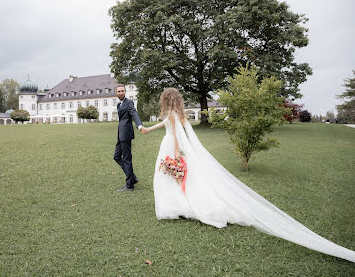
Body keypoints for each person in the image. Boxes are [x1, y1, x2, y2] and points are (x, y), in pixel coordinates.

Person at [142, 87, 355, 263]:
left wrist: (177, 152)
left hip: (171, 147)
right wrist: (149, 129)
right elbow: (167, 124)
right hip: (168, 144)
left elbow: (177, 134)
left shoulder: (172, 114)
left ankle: (178, 205)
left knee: (170, 176)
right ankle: (178, 204)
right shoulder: (176, 113)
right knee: (172, 177)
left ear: (165, 100)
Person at [114, 84, 148, 192]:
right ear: (116, 93)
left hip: (126, 134)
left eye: (122, 91)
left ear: (125, 91)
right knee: (116, 156)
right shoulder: (119, 105)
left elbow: (134, 114)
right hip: (120, 134)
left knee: (127, 159)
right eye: (119, 91)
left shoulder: (129, 102)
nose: (121, 93)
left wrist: (140, 126)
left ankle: (129, 185)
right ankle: (132, 177)